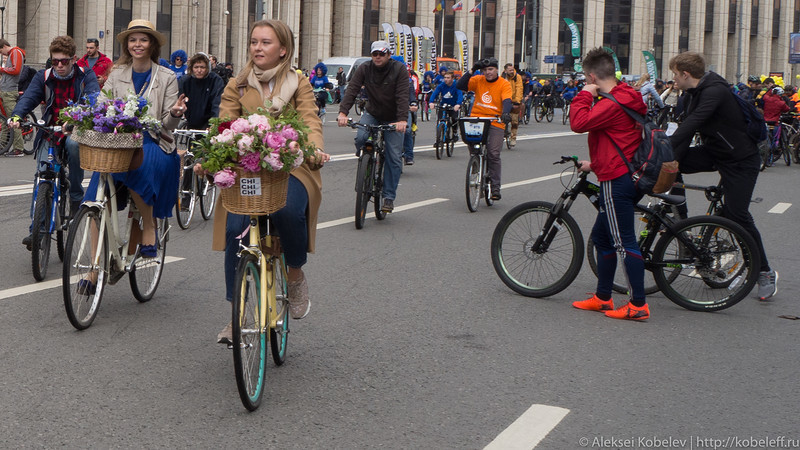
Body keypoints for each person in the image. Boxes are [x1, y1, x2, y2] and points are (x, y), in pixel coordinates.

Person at [208, 19, 330, 342]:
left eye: (265, 43)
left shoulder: (298, 83)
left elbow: (310, 119)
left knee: (287, 210)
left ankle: (295, 274)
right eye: (253, 42)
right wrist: (212, 156)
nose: (257, 48)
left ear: (283, 50)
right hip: (248, 169)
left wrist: (314, 148)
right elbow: (223, 124)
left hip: (290, 165)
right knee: (235, 231)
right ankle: (237, 315)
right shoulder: (238, 84)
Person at [80, 19, 185, 294]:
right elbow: (102, 105)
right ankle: (93, 269)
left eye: (143, 40)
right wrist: (83, 119)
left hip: (153, 140)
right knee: (94, 196)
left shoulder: (167, 77)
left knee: (138, 164)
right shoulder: (117, 73)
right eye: (132, 40)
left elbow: (167, 125)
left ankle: (148, 225)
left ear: (152, 45)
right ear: (127, 45)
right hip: (119, 141)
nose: (137, 45)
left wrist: (174, 114)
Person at [667, 51, 777, 300]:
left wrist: (667, 146)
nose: (673, 79)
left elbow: (693, 123)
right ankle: (679, 217)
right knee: (674, 164)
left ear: (685, 74)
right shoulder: (690, 95)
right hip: (716, 153)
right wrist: (669, 158)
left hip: (742, 161)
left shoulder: (716, 91)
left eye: (675, 74)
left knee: (737, 215)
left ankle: (764, 271)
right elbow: (684, 133)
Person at [569, 47, 650, 321]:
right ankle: (603, 298)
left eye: (585, 78)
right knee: (603, 237)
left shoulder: (612, 103)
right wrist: (596, 164)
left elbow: (578, 123)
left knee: (623, 241)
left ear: (592, 76)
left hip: (617, 181)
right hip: (618, 171)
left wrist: (583, 95)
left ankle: (638, 304)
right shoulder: (625, 95)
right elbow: (619, 140)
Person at [9, 35, 100, 248]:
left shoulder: (86, 75)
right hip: (49, 130)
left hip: (74, 130)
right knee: (42, 175)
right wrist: (17, 115)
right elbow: (29, 98)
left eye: (64, 61)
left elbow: (93, 100)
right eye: (55, 61)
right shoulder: (43, 76)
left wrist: (77, 121)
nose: (59, 66)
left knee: (73, 146)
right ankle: (37, 232)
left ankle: (76, 196)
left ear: (74, 59)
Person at [337, 40, 409, 213]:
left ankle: (389, 197)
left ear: (388, 55)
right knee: (361, 137)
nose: (378, 57)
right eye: (375, 54)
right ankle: (366, 160)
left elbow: (402, 96)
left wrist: (402, 120)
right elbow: (352, 89)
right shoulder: (365, 68)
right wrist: (342, 113)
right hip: (373, 113)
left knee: (393, 156)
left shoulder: (398, 69)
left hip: (393, 117)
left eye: (381, 54)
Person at [456, 57, 512, 200]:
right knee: (473, 146)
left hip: (495, 121)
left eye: (491, 69)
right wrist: (473, 70)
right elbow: (460, 85)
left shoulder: (504, 84)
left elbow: (507, 100)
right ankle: (476, 163)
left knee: (493, 154)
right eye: (485, 70)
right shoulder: (478, 80)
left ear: (497, 70)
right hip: (477, 119)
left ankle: (495, 188)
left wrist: (505, 112)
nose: (488, 73)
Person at [178, 53, 225, 130]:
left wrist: (214, 123)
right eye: (196, 67)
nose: (199, 70)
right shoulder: (185, 81)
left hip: (208, 121)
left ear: (207, 68)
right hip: (191, 120)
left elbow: (217, 103)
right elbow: (180, 98)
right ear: (192, 68)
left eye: (202, 67)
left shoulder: (215, 81)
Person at [0, 38, 26, 156]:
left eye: (1, 51)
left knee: (13, 120)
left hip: (9, 91)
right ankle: (4, 145)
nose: (2, 54)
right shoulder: (12, 54)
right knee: (4, 120)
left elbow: (15, 70)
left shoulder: (15, 52)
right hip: (5, 90)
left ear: (4, 46)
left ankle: (18, 149)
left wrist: (1, 69)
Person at [428, 70, 463, 141]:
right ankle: (438, 139)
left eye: (448, 78)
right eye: (445, 77)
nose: (446, 79)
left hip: (453, 105)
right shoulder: (441, 85)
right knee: (439, 120)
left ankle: (455, 132)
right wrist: (431, 102)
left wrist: (458, 104)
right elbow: (435, 93)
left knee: (454, 119)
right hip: (443, 104)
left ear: (452, 78)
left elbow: (460, 95)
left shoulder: (456, 85)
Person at [501, 63, 523, 147]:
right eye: (510, 70)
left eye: (512, 69)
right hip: (504, 100)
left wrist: (517, 101)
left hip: (514, 100)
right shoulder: (502, 77)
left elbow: (519, 89)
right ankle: (501, 134)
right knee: (501, 119)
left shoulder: (517, 77)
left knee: (514, 121)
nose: (512, 71)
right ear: (505, 70)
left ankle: (513, 138)